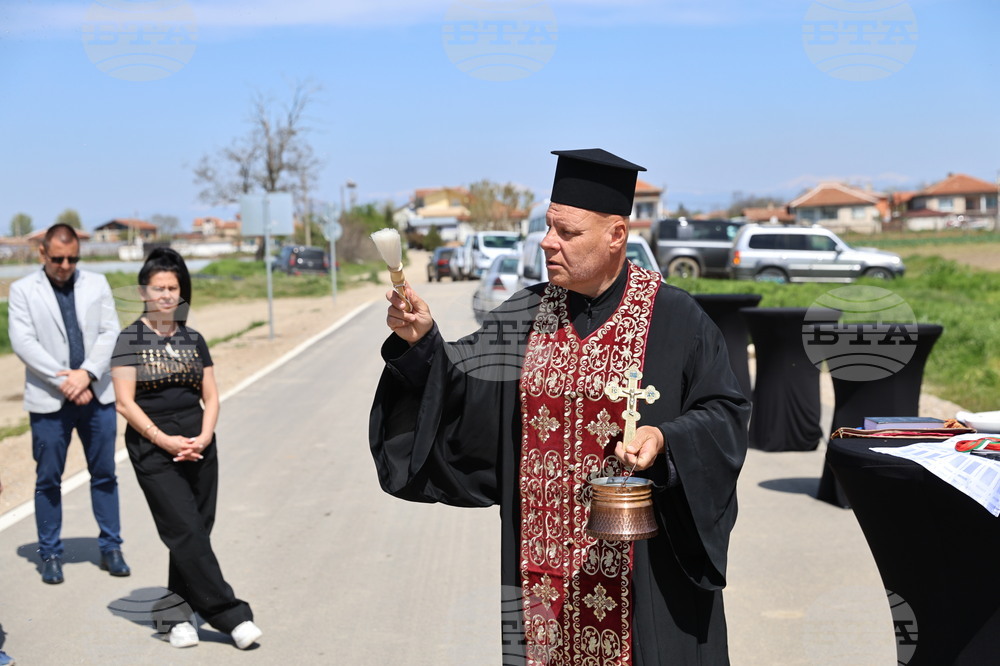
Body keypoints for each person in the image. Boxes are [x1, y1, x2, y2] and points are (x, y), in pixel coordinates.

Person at [370, 149, 750, 664]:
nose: (548, 242)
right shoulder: (526, 313)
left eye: (567, 233)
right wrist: (423, 344)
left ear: (616, 235)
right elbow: (459, 385)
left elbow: (724, 413)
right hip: (539, 575)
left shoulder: (676, 317)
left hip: (642, 575)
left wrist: (665, 441)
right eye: (549, 227)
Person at [110, 248, 261, 650]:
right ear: (144, 292)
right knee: (186, 530)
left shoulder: (193, 338)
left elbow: (211, 395)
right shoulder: (129, 340)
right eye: (158, 288)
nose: (165, 295)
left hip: (199, 443)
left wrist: (205, 436)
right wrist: (164, 439)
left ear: (181, 292)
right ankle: (230, 613)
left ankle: (176, 616)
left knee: (193, 534)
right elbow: (125, 402)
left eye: (172, 288)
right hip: (153, 449)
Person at [8, 223, 128, 585]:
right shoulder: (22, 290)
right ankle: (49, 554)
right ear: (42, 253)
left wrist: (87, 374)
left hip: (96, 395)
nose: (65, 265)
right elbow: (23, 342)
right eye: (58, 258)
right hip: (50, 399)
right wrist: (67, 380)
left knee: (105, 474)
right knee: (47, 480)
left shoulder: (98, 284)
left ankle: (111, 547)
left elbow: (110, 332)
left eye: (72, 258)